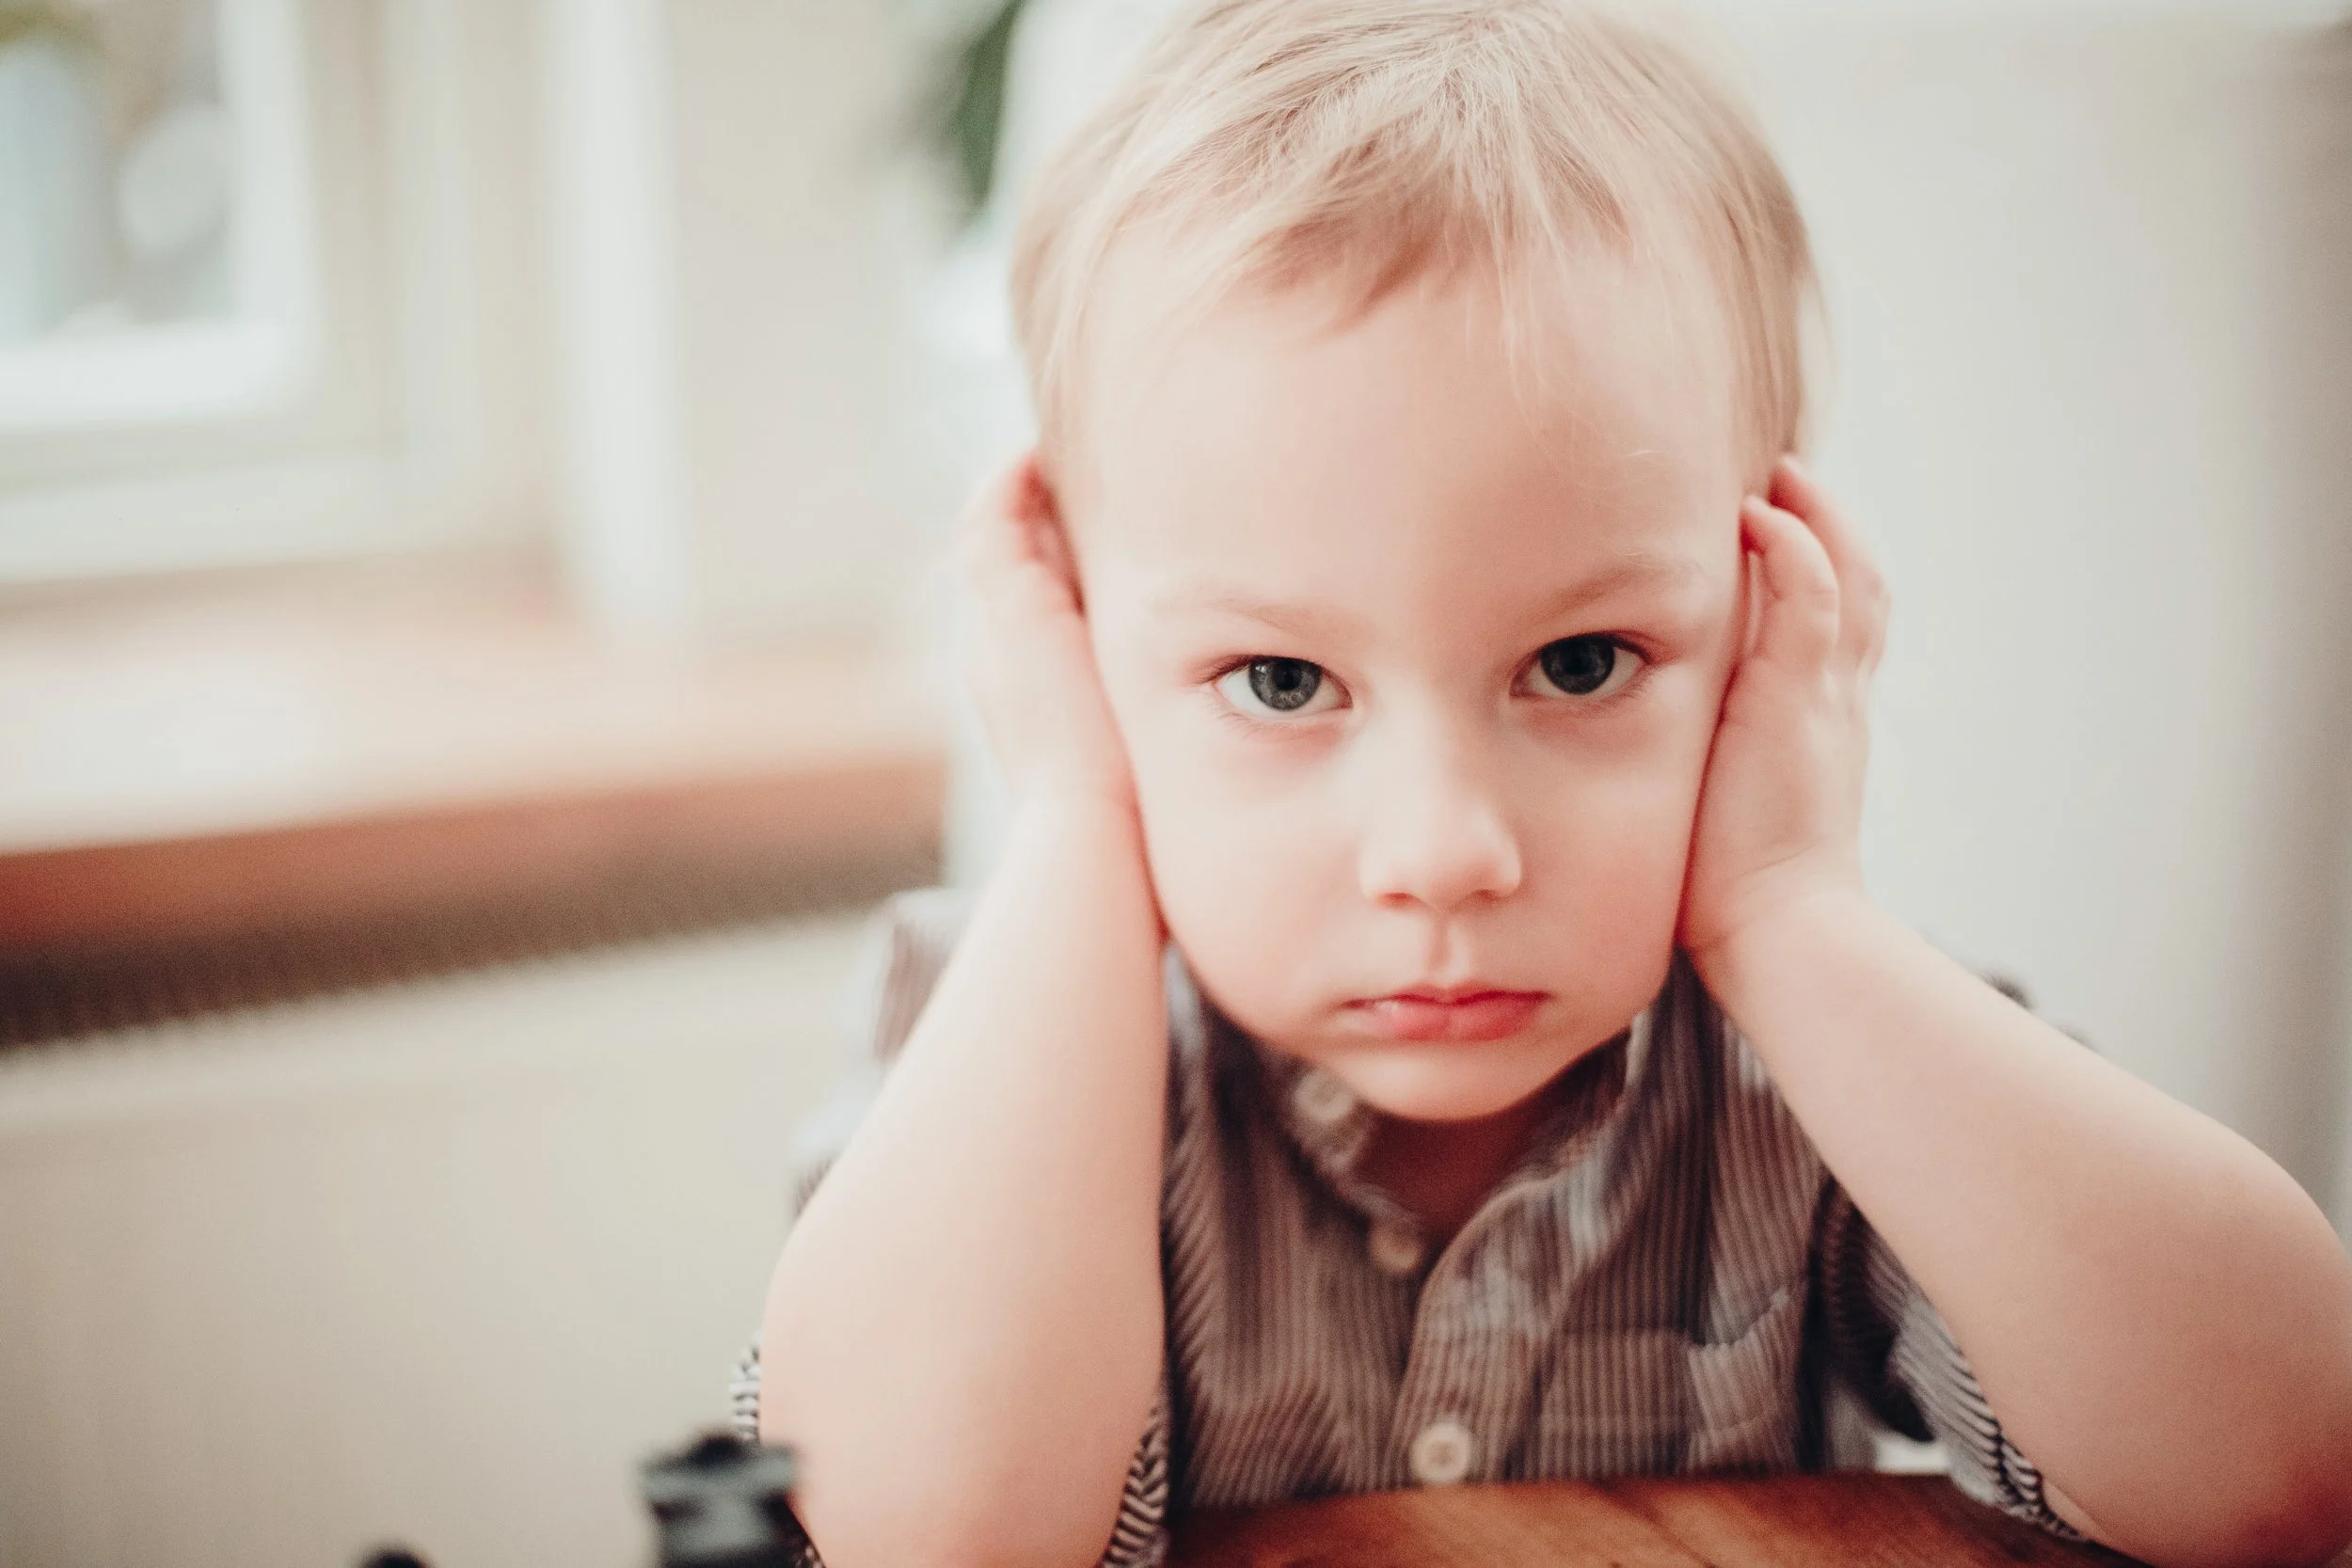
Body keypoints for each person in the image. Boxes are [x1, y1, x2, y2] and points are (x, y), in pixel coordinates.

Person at [735, 3, 2352, 1565]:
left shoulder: (1822, 1071)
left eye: (1581, 662)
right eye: (1281, 682)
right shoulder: (1022, 1040)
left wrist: (1788, 905)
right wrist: (1078, 825)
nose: (1445, 853)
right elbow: (925, 1536)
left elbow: (2282, 1467)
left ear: (1764, 613)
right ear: (1082, 649)